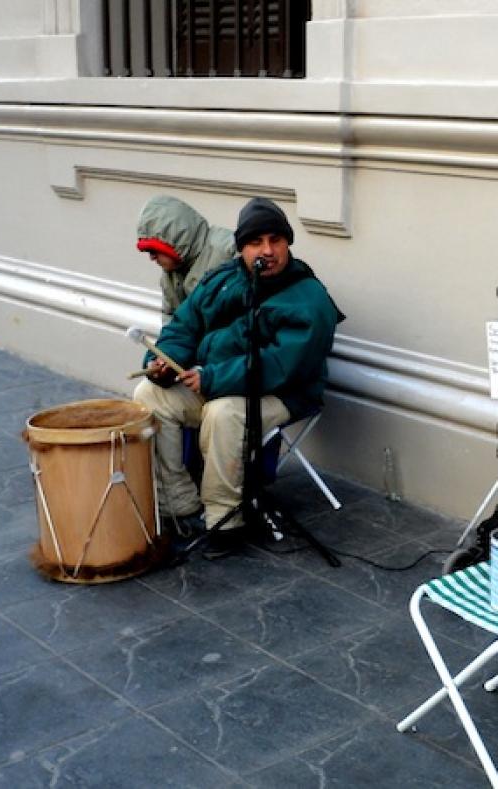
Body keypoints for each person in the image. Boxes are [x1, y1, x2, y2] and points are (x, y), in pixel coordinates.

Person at [134, 197, 343, 552]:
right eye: (255, 242)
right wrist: (166, 361)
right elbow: (184, 324)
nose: (267, 250)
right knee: (148, 395)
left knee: (224, 412)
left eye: (275, 240)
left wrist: (212, 378)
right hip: (219, 379)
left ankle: (225, 519)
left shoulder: (308, 297)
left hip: (285, 392)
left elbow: (281, 364)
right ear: (242, 248)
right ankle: (179, 504)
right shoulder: (223, 280)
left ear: (287, 243)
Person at [135, 195, 236, 323]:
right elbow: (172, 320)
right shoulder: (171, 275)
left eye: (153, 250)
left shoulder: (228, 251)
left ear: (175, 240)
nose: (151, 257)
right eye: (148, 252)